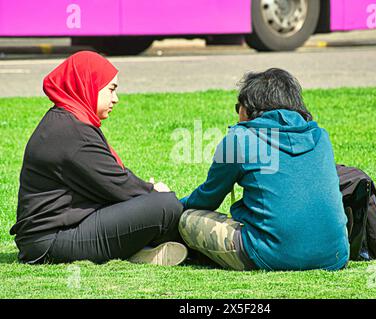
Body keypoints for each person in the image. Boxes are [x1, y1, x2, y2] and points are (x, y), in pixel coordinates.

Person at [9, 51, 188, 265]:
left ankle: (141, 249)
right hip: (49, 243)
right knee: (166, 207)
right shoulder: (70, 132)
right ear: (88, 85)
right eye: (111, 90)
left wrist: (145, 193)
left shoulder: (68, 121)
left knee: (157, 203)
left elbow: (108, 180)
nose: (116, 99)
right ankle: (156, 247)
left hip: (53, 235)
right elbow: (118, 185)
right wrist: (153, 191)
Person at [178, 68, 350, 271]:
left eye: (237, 107)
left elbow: (207, 199)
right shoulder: (321, 136)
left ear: (249, 108)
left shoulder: (239, 139)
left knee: (187, 220)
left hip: (270, 256)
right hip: (336, 255)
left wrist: (169, 203)